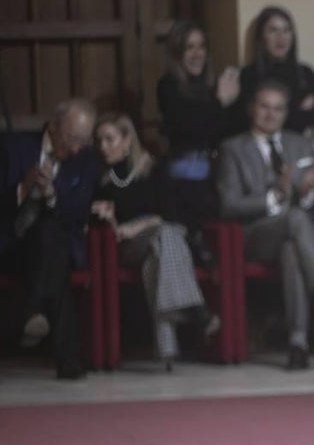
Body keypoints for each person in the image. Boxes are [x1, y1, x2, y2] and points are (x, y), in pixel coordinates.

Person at [217, 81, 314, 371]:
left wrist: (308, 192)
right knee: (295, 220)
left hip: (297, 237)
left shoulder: (300, 144)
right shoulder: (233, 149)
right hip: (255, 234)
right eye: (264, 106)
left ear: (286, 113)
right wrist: (276, 196)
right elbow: (229, 205)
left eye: (277, 108)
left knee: (292, 246)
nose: (270, 114)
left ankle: (298, 344)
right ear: (252, 109)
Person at [0, 98, 98, 379]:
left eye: (84, 140)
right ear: (53, 127)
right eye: (72, 138)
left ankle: (29, 312)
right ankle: (68, 360)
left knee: (50, 235)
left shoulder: (86, 160)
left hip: (58, 243)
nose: (77, 147)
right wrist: (22, 188)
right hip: (11, 243)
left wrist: (53, 195)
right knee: (54, 260)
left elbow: (78, 215)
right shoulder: (11, 147)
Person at [92, 113, 220, 370]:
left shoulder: (154, 170)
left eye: (109, 139)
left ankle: (167, 349)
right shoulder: (100, 178)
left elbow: (171, 216)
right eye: (99, 141)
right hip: (123, 247)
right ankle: (195, 311)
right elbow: (101, 228)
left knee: (161, 248)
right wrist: (104, 216)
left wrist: (140, 224)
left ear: (128, 140)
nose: (103, 147)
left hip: (155, 240)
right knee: (168, 237)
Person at [156, 20, 241, 268]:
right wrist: (220, 103)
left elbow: (227, 131)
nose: (197, 54)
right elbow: (190, 129)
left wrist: (224, 102)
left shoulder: (215, 87)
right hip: (185, 172)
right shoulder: (169, 86)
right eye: (189, 48)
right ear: (177, 53)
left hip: (217, 168)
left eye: (201, 47)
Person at [232, 6, 314, 135]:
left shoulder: (305, 73)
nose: (281, 37)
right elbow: (243, 121)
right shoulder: (248, 75)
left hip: (295, 148)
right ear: (262, 37)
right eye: (273, 30)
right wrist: (298, 112)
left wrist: (269, 115)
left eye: (286, 30)